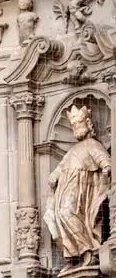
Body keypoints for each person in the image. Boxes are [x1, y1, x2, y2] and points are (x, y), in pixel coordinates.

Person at [45, 105, 112, 269]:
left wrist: (106, 167)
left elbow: (104, 159)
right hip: (66, 188)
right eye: (73, 125)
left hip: (83, 190)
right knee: (60, 216)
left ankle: (87, 250)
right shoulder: (72, 150)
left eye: (79, 123)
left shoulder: (92, 144)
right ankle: (73, 254)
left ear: (89, 124)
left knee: (67, 213)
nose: (76, 127)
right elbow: (60, 168)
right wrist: (53, 176)